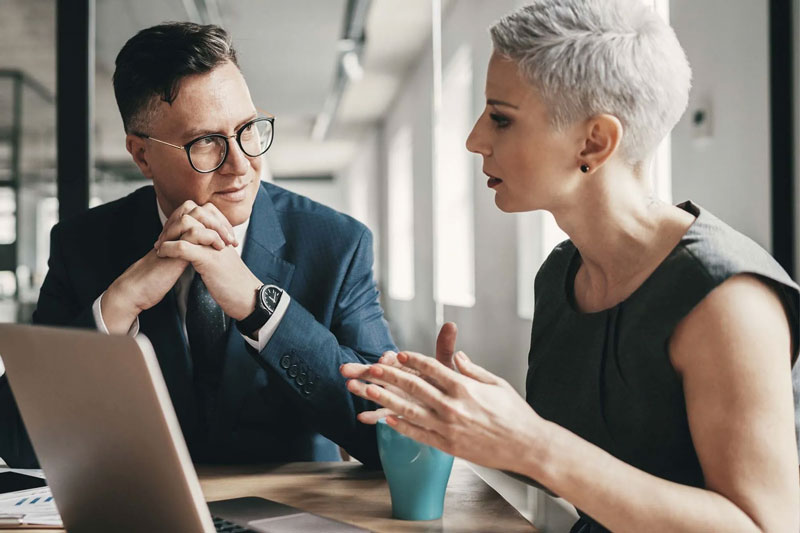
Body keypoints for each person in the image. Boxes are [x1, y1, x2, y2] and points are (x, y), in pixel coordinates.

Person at [342, 1, 800, 531]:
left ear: (594, 142)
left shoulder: (727, 301)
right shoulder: (562, 274)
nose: (475, 140)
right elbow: (580, 471)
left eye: (500, 118)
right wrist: (467, 418)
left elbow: (765, 526)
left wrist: (532, 442)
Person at [0, 22, 395, 469]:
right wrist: (117, 306)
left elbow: (387, 435)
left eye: (248, 128)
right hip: (142, 510)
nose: (243, 164)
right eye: (206, 142)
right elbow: (15, 441)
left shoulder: (337, 245)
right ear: (142, 155)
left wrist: (260, 309)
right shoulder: (83, 245)